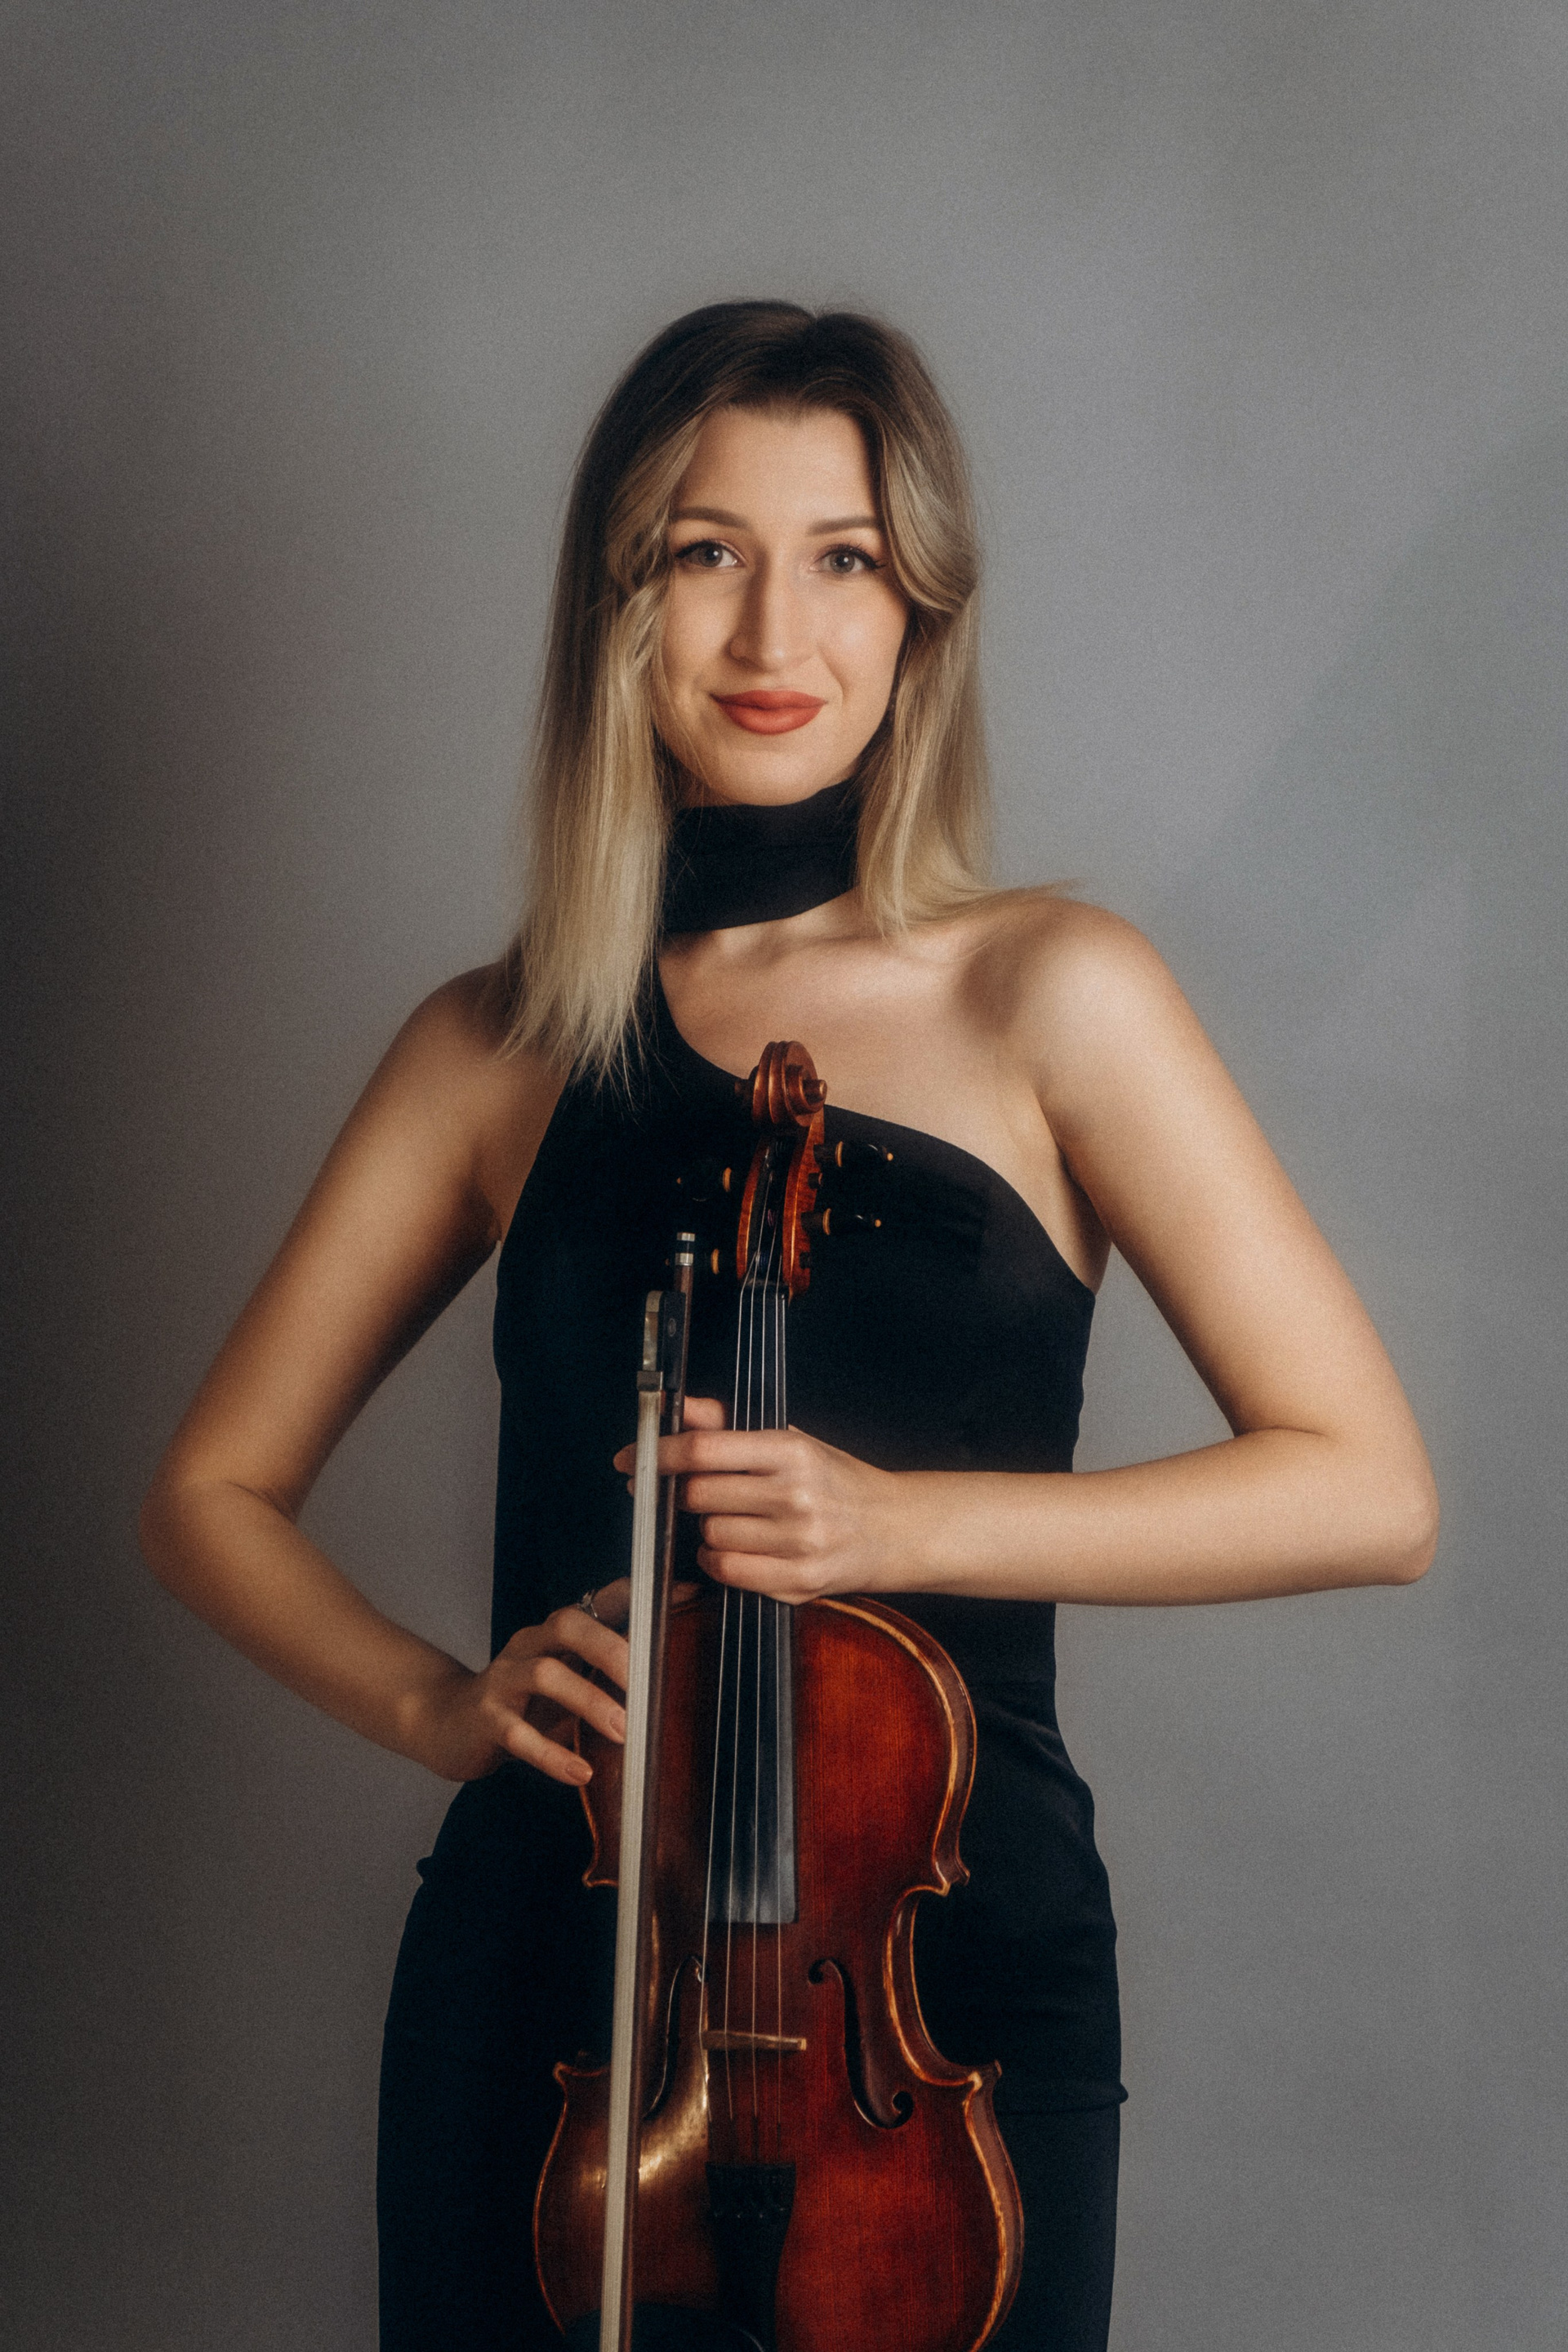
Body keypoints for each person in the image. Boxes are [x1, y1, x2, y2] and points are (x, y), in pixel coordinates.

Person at [140, 301, 1439, 2352]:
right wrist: (434, 1709)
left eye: (843, 558)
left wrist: (900, 1528)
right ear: (618, 603)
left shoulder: (1052, 992)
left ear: (920, 613)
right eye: (704, 553)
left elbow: (1369, 1490)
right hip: (561, 1974)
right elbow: (209, 1490)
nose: (774, 633)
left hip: (937, 1980)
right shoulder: (497, 1047)